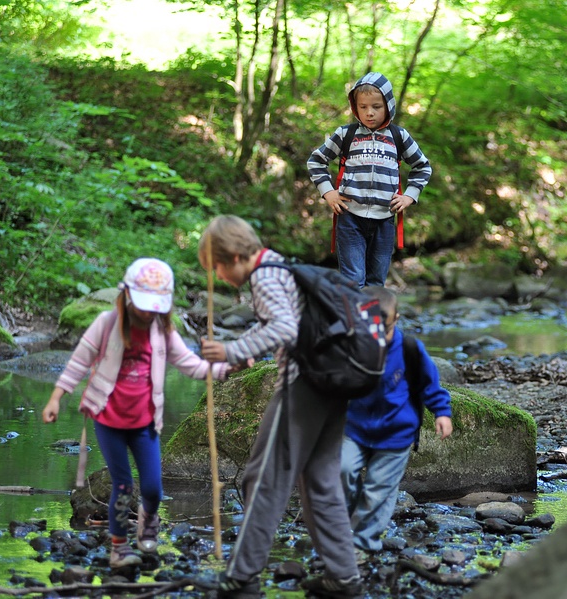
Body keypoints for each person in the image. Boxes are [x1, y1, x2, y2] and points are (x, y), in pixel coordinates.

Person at [197, 215, 365, 599]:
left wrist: (231, 349)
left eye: (218, 268)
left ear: (236, 256)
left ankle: (242, 577)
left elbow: (286, 329)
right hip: (333, 385)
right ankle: (344, 578)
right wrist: (244, 354)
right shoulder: (279, 264)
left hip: (303, 386)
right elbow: (282, 325)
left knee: (262, 478)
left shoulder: (264, 276)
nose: (220, 277)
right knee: (320, 483)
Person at [42, 258, 231, 569]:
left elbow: (192, 365)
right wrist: (55, 398)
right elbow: (78, 361)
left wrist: (225, 368)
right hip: (108, 421)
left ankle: (148, 520)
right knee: (122, 485)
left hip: (144, 423)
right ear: (126, 295)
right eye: (142, 304)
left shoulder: (163, 332)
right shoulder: (106, 324)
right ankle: (119, 548)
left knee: (153, 489)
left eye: (154, 306)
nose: (147, 312)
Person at [340, 287, 453, 553]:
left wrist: (442, 412)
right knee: (342, 471)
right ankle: (346, 524)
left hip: (396, 434)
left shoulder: (410, 349)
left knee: (377, 490)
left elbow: (429, 384)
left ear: (396, 319)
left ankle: (362, 543)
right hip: (355, 428)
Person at [307, 72, 432, 288]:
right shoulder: (346, 134)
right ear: (355, 107)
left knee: (376, 282)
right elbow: (316, 161)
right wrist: (328, 192)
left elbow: (423, 166)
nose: (369, 113)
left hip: (384, 219)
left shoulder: (398, 136)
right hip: (350, 216)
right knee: (353, 280)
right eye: (363, 107)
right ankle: (354, 320)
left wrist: (409, 197)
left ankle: (375, 321)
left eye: (376, 106)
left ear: (389, 105)